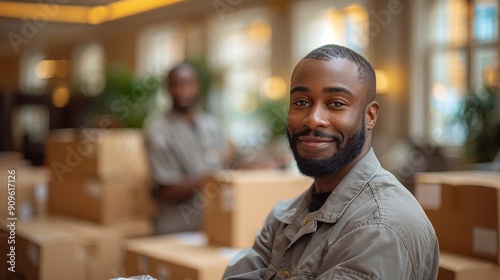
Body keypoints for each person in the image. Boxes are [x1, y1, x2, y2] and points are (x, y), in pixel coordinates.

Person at [223, 45, 439, 279]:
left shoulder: (378, 228)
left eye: (336, 103)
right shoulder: (284, 215)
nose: (313, 119)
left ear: (370, 116)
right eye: (301, 102)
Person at [144, 62, 226, 234]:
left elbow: (225, 162)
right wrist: (210, 179)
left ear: (198, 86)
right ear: (168, 89)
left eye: (188, 83)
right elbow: (165, 190)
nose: (182, 90)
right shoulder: (157, 129)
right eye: (176, 85)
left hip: (212, 225)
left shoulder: (212, 125)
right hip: (175, 228)